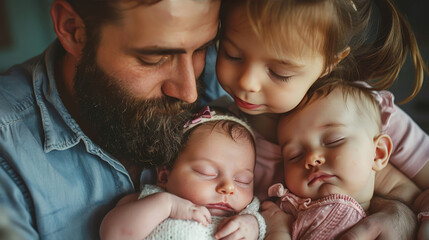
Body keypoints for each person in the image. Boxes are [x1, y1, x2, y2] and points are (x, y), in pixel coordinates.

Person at [0, 0, 221, 239]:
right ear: (74, 30)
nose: (189, 93)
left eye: (202, 48)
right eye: (154, 58)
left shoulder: (229, 72)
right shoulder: (7, 151)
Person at [214, 0, 429, 239]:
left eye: (279, 73)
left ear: (330, 62)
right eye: (231, 55)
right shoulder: (214, 129)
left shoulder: (361, 111)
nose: (247, 82)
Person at [268, 81, 421, 239]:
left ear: (378, 153)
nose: (311, 158)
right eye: (294, 155)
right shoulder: (282, 214)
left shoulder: (406, 212)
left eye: (333, 141)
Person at [99, 106, 266, 240]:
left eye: (243, 180)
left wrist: (253, 226)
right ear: (164, 176)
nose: (229, 187)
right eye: (207, 172)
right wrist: (167, 206)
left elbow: (268, 227)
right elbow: (112, 234)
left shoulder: (247, 213)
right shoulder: (152, 201)